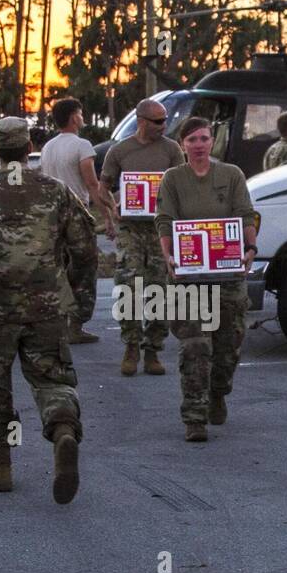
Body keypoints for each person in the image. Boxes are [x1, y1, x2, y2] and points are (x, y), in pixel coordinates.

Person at [0, 116, 96, 504]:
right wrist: (75, 293)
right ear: (30, 148)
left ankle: (2, 467)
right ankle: (62, 430)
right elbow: (85, 248)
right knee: (52, 379)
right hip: (46, 308)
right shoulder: (56, 191)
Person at [155, 115, 257, 442]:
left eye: (204, 138)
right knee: (196, 345)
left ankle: (217, 393)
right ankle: (194, 417)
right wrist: (169, 255)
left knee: (228, 348)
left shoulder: (231, 175)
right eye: (192, 140)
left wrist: (250, 248)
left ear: (212, 141)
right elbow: (165, 221)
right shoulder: (173, 178)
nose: (199, 145)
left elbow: (245, 215)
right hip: (189, 277)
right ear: (182, 144)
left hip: (228, 276)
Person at [99, 98, 184, 376]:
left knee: (159, 286)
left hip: (161, 230)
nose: (164, 125)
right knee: (129, 284)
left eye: (166, 120)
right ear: (142, 121)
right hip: (130, 229)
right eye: (158, 121)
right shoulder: (120, 151)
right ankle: (131, 346)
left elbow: (179, 186)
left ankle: (152, 350)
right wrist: (114, 208)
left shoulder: (172, 150)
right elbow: (103, 188)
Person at [39, 96, 115, 345]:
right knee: (84, 269)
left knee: (58, 268)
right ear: (74, 117)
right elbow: (92, 185)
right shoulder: (82, 145)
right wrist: (108, 217)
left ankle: (56, 321)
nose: (82, 118)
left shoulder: (48, 147)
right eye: (81, 114)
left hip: (52, 215)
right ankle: (77, 324)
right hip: (76, 214)